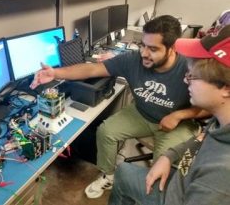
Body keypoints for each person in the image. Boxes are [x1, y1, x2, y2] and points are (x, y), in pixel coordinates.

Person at [31, 15, 206, 199]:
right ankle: (108, 174)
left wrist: (179, 115)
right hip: (142, 112)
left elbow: (212, 107)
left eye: (153, 49)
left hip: (176, 123)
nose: (144, 53)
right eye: (143, 45)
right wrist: (55, 73)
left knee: (161, 175)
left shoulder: (190, 67)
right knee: (106, 131)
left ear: (171, 49)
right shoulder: (133, 59)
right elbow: (91, 69)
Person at [108, 24, 230, 205]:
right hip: (183, 177)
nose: (184, 80)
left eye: (193, 76)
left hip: (175, 197)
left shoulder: (220, 175)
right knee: (123, 169)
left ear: (226, 88)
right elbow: (204, 137)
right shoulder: (221, 120)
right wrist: (169, 156)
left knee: (124, 173)